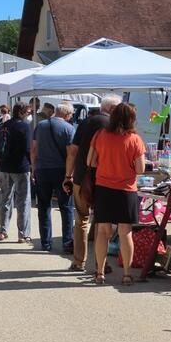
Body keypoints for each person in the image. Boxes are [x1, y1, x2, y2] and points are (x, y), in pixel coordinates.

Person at [88, 102, 146, 285]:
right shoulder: (135, 140)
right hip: (126, 190)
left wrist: (107, 164)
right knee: (125, 232)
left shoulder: (100, 135)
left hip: (104, 188)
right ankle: (127, 274)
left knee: (103, 232)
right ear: (132, 120)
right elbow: (140, 169)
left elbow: (91, 161)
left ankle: (99, 272)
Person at [64, 94, 122, 273]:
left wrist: (68, 175)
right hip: (105, 180)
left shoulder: (87, 122)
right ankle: (100, 263)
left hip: (82, 177)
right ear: (112, 109)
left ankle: (79, 261)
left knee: (81, 219)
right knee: (102, 221)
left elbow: (73, 151)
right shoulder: (115, 127)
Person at [31, 102, 76, 252]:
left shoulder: (40, 125)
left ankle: (46, 243)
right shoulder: (69, 128)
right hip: (61, 171)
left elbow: (33, 149)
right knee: (66, 207)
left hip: (42, 170)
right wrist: (69, 176)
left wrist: (33, 168)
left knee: (43, 206)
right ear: (67, 115)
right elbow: (71, 154)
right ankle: (67, 242)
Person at [0, 103, 33, 243]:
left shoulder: (4, 125)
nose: (29, 114)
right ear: (22, 112)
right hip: (20, 166)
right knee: (23, 200)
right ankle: (23, 233)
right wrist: (32, 165)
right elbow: (28, 148)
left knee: (5, 199)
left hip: (5, 166)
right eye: (28, 112)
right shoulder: (24, 126)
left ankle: (2, 230)